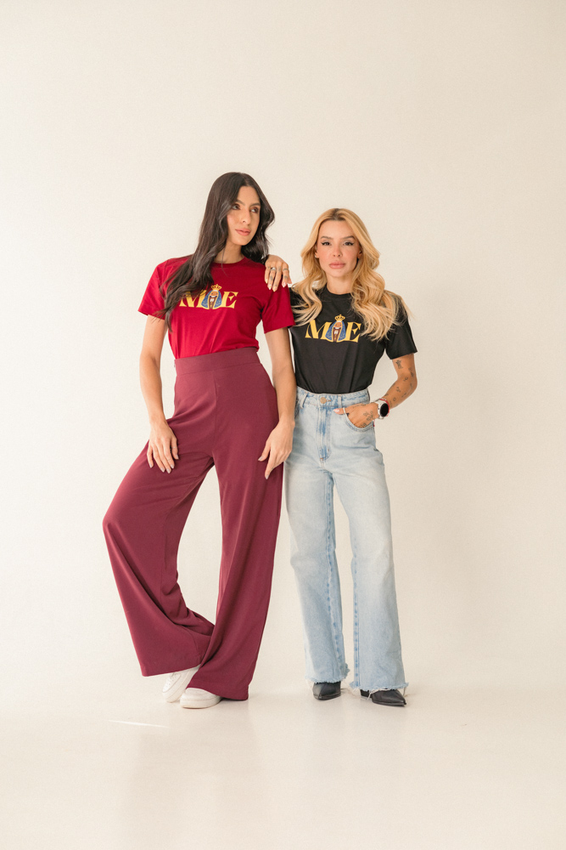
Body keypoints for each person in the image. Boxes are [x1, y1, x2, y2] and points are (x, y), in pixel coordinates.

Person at [103, 172, 296, 709]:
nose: (246, 219)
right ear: (217, 210)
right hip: (186, 414)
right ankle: (188, 646)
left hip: (250, 411)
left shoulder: (266, 277)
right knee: (124, 520)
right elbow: (148, 357)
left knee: (246, 542)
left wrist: (285, 422)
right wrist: (157, 421)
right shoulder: (171, 274)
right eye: (237, 207)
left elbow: (283, 363)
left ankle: (224, 676)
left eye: (254, 210)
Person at [283, 208, 418, 707]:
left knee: (375, 550)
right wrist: (270, 263)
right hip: (301, 429)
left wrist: (377, 407)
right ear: (314, 250)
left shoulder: (386, 306)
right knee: (309, 554)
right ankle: (324, 669)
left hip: (354, 430)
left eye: (346, 242)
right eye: (326, 242)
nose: (336, 252)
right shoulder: (295, 301)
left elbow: (408, 378)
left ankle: (380, 675)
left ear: (360, 249)